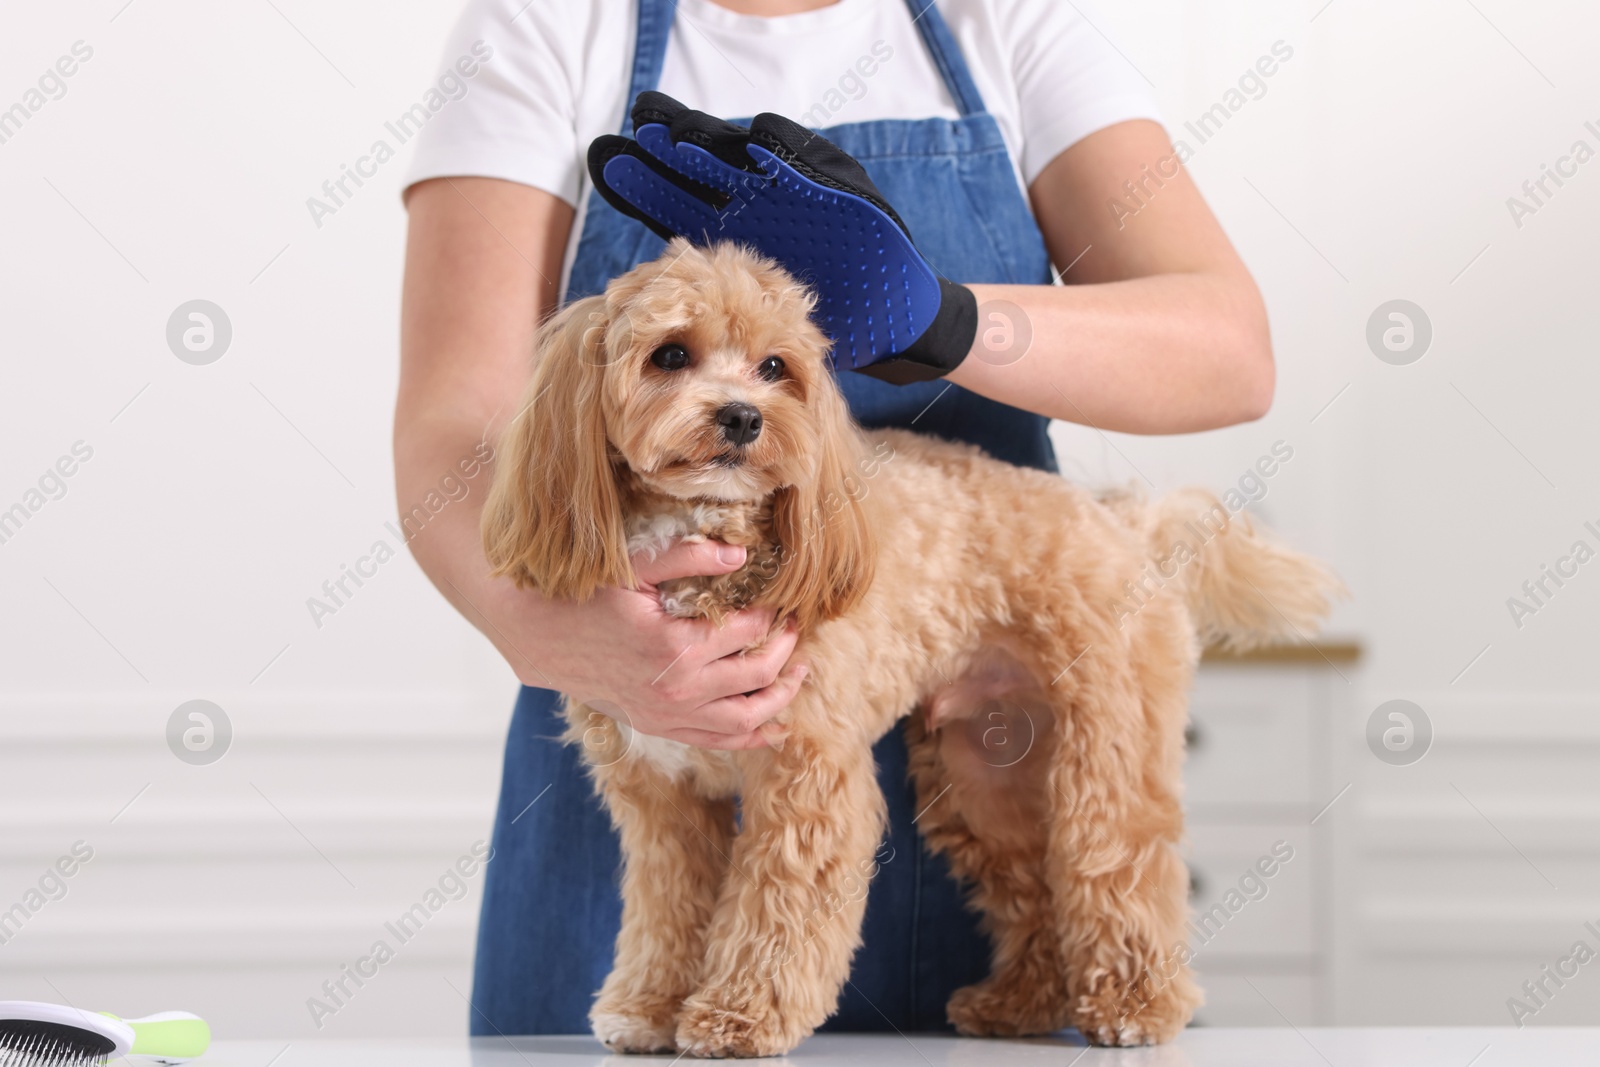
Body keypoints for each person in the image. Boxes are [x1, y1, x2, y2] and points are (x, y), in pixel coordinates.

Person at [396, 0, 1272, 1035]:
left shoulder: (1013, 22)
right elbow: (453, 425)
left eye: (772, 368)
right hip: (595, 694)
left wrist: (940, 318)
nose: (732, 399)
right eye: (674, 355)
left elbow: (1231, 353)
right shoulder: (547, 24)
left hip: (971, 717)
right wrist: (541, 623)